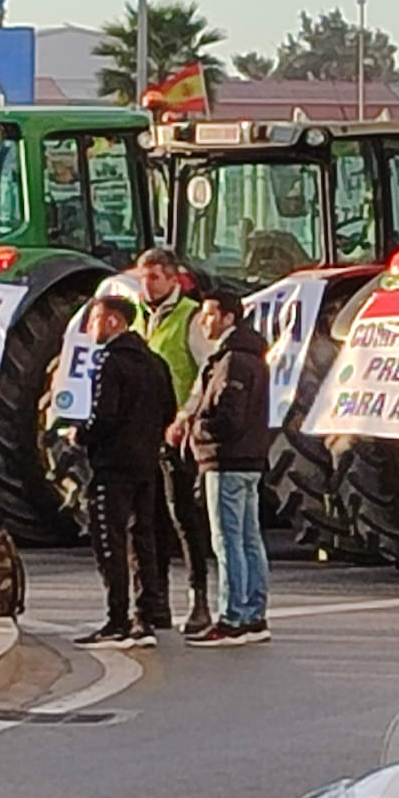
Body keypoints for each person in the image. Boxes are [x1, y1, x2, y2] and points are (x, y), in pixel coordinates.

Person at [74, 294, 176, 649]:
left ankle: (117, 619)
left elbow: (104, 415)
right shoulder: (156, 363)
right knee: (143, 538)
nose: (90, 328)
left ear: (114, 321)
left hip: (113, 465)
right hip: (146, 462)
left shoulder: (110, 363)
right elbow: (168, 411)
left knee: (110, 540)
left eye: (95, 319)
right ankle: (148, 613)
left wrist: (80, 434)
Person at [174, 289, 271, 647]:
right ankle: (255, 613)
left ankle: (233, 618)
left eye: (211, 314)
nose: (204, 320)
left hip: (226, 459)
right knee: (248, 537)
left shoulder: (232, 360)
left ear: (230, 317)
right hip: (248, 458)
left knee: (228, 540)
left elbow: (229, 416)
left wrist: (198, 428)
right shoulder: (250, 356)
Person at [134, 246, 216, 637]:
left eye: (154, 278)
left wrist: (186, 416)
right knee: (147, 521)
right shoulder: (138, 317)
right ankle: (154, 602)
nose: (147, 285)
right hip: (143, 434)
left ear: (172, 279)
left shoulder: (190, 318)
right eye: (142, 277)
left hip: (176, 434)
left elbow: (205, 371)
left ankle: (198, 599)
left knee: (184, 517)